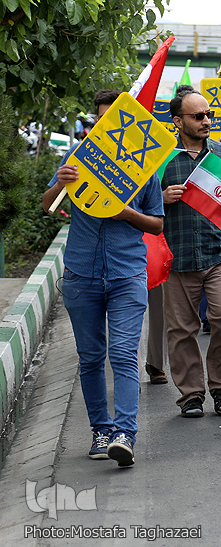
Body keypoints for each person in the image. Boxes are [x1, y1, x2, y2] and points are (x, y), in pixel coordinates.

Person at [42, 89, 165, 467]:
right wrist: (60, 182)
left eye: (111, 119)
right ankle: (101, 429)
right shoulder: (77, 159)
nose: (103, 126)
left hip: (128, 274)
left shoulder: (144, 169)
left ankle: (125, 434)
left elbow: (157, 223)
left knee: (124, 355)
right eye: (99, 120)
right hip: (81, 276)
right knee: (91, 357)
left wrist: (127, 214)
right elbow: (48, 205)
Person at [161, 86, 221, 418]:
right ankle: (190, 394)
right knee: (182, 330)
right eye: (198, 116)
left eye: (209, 115)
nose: (206, 121)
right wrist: (161, 199)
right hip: (177, 256)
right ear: (177, 121)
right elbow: (140, 205)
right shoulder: (161, 159)